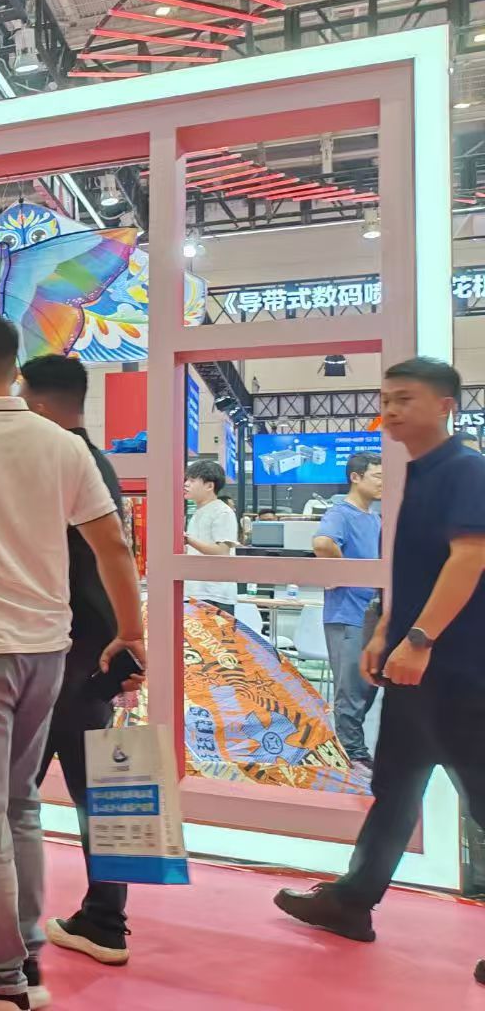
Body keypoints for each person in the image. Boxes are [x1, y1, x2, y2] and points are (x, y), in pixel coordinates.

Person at [0, 328, 143, 1011]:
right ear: (12, 370)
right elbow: (114, 546)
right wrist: (132, 631)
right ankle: (22, 963)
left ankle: (0, 978)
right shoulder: (64, 445)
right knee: (20, 807)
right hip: (47, 650)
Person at [274, 358, 485, 988]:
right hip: (417, 669)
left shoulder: (466, 470)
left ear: (445, 406)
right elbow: (415, 568)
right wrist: (386, 631)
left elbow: (471, 557)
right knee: (395, 784)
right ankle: (352, 901)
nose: (390, 410)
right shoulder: (415, 474)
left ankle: (352, 898)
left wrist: (419, 639)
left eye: (405, 399)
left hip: (459, 668)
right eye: (386, 398)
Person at [311, 452, 383, 769]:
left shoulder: (375, 518)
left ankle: (352, 751)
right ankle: (351, 755)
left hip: (371, 614)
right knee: (351, 689)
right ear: (356, 477)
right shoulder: (341, 512)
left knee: (367, 687)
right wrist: (344, 573)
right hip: (347, 613)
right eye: (377, 476)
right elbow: (323, 543)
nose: (383, 483)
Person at [184, 459, 239, 614]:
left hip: (215, 594)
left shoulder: (222, 512)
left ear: (209, 486)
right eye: (186, 480)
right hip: (196, 591)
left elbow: (221, 551)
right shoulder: (199, 512)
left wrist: (188, 540)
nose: (186, 484)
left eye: (192, 480)